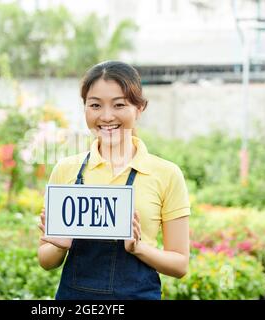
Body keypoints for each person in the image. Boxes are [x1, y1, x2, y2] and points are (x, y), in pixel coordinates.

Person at [37, 60, 191, 300]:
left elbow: (180, 264)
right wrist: (60, 245)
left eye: (119, 104)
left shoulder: (166, 174)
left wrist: (139, 249)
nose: (106, 116)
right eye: (95, 105)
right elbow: (45, 260)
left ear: (139, 108)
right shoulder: (66, 170)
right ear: (85, 108)